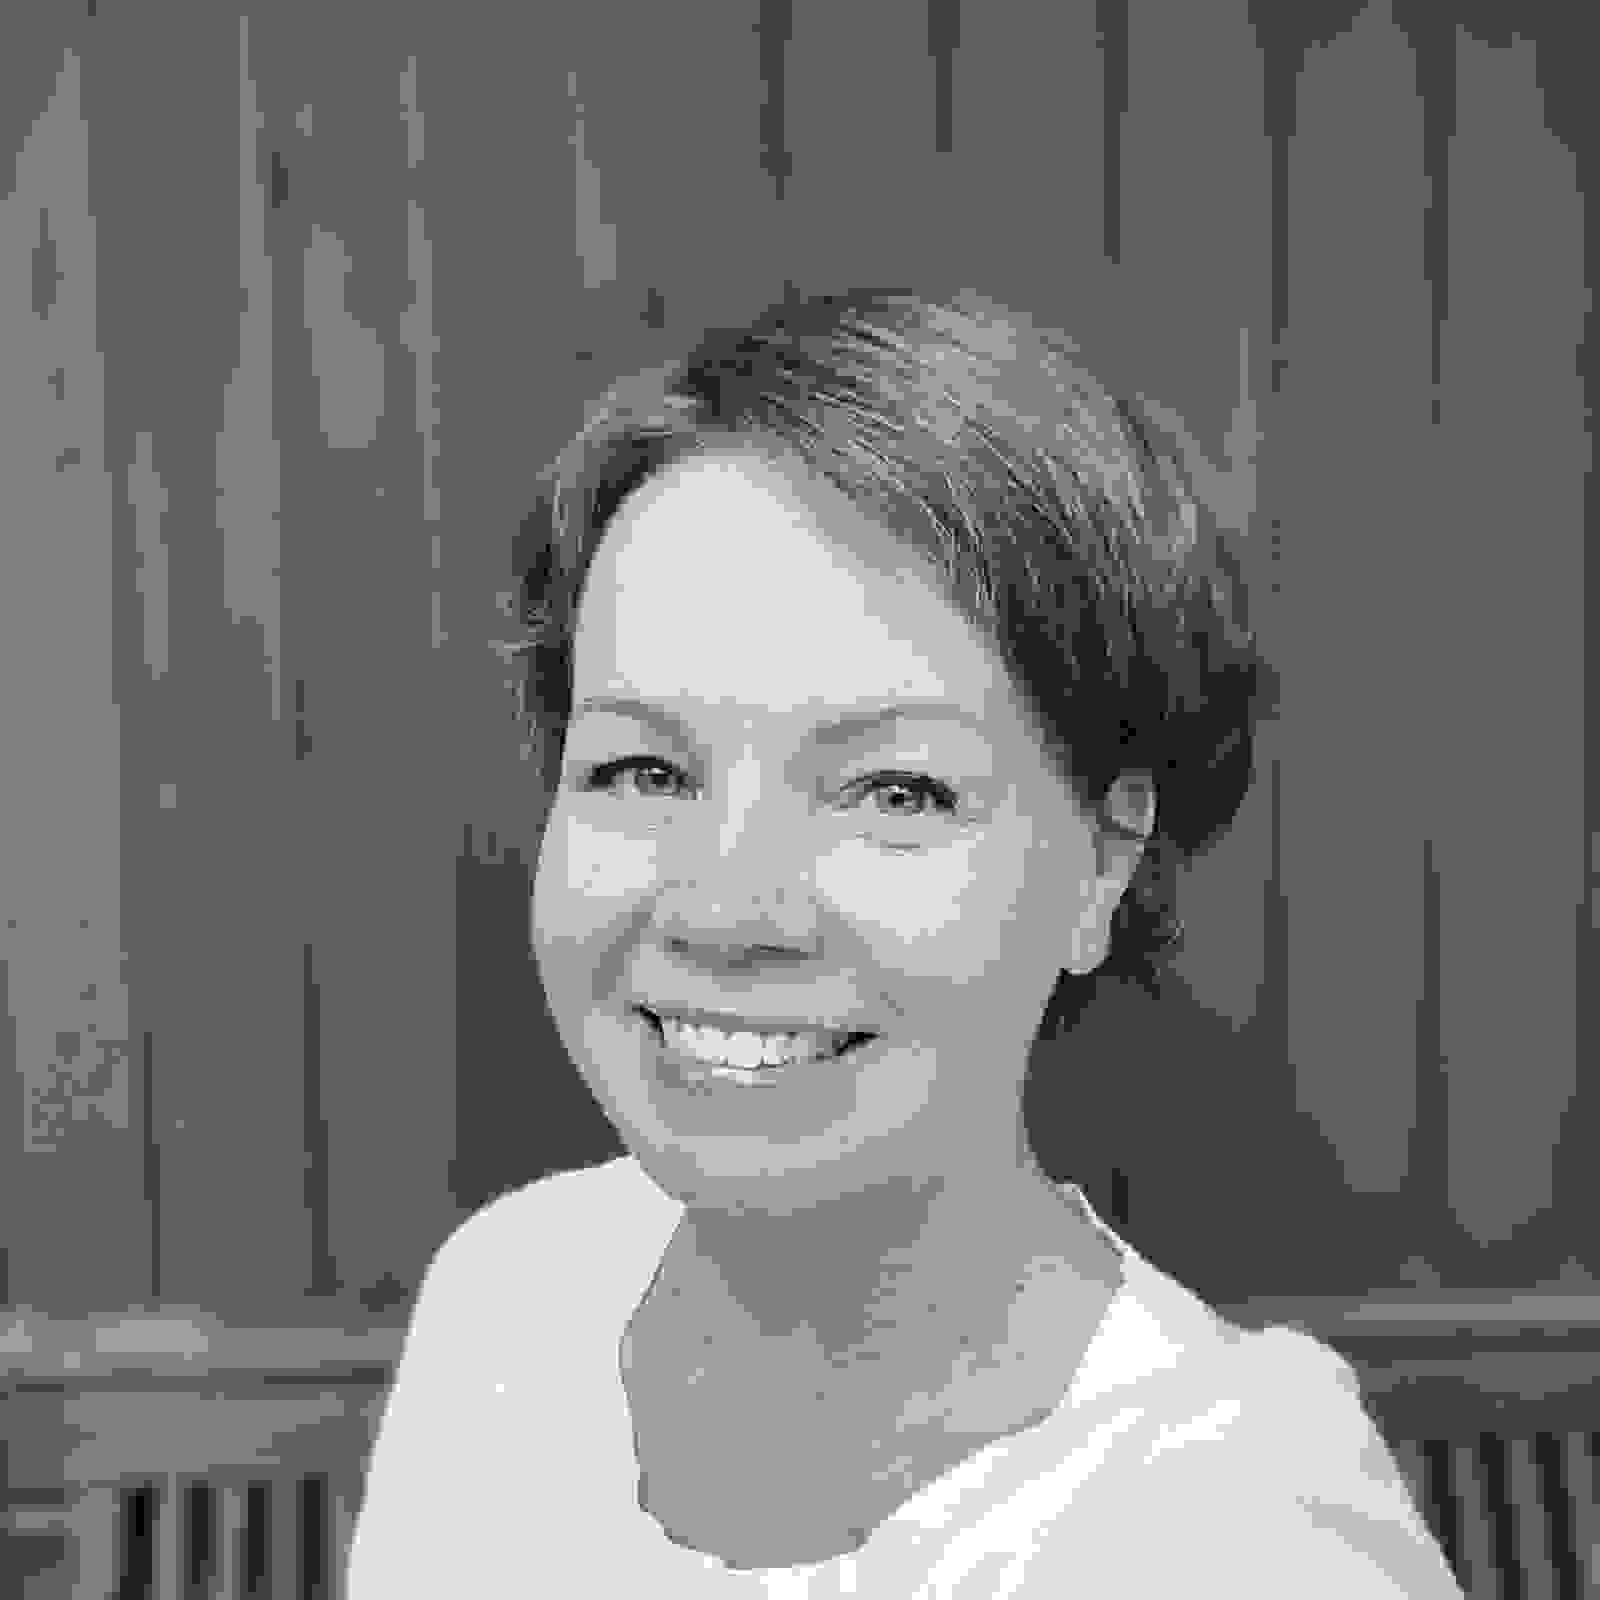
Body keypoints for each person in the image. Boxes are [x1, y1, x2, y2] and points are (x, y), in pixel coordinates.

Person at [345, 288, 1464, 1594]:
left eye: (895, 791)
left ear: (1103, 857)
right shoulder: (513, 1293)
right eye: (644, 770)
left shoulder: (1235, 1539)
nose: (725, 908)